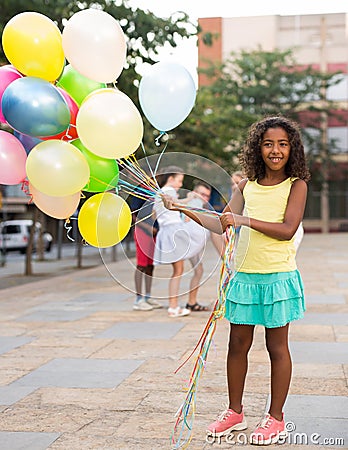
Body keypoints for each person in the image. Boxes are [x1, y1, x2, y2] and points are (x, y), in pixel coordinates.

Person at [163, 116, 310, 445]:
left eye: (283, 144)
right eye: (269, 143)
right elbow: (220, 224)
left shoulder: (296, 185)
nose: (275, 150)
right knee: (237, 346)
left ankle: (276, 418)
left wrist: (243, 219)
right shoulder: (247, 185)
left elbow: (287, 230)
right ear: (258, 147)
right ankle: (235, 412)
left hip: (277, 276)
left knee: (277, 348)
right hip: (244, 276)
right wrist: (181, 209)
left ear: (292, 149)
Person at [153, 166, 195, 318]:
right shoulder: (168, 191)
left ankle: (174, 305)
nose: (180, 185)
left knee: (177, 271)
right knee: (178, 271)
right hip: (173, 231)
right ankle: (173, 306)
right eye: (179, 181)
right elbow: (177, 204)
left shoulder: (160, 193)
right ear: (170, 179)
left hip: (167, 231)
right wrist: (190, 198)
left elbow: (154, 214)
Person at [131, 195, 162, 311]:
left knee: (150, 266)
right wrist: (147, 228)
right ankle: (138, 300)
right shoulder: (139, 192)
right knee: (141, 265)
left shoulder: (156, 192)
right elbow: (133, 215)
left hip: (153, 233)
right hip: (142, 232)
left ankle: (148, 297)